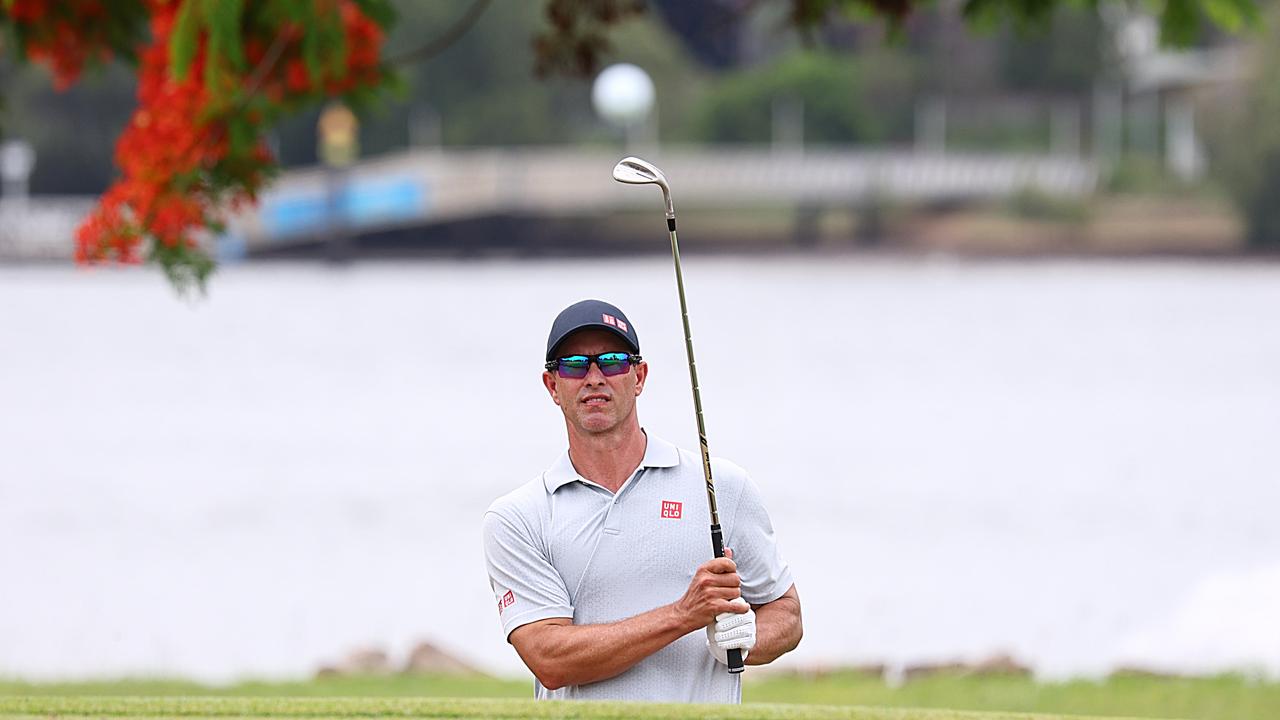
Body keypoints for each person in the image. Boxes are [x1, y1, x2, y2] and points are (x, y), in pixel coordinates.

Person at [482, 299, 802, 702]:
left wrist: (751, 636)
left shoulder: (720, 485)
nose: (594, 377)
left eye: (613, 362)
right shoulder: (518, 517)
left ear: (639, 376)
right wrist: (683, 615)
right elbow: (550, 658)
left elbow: (786, 613)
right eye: (575, 365)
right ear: (553, 386)